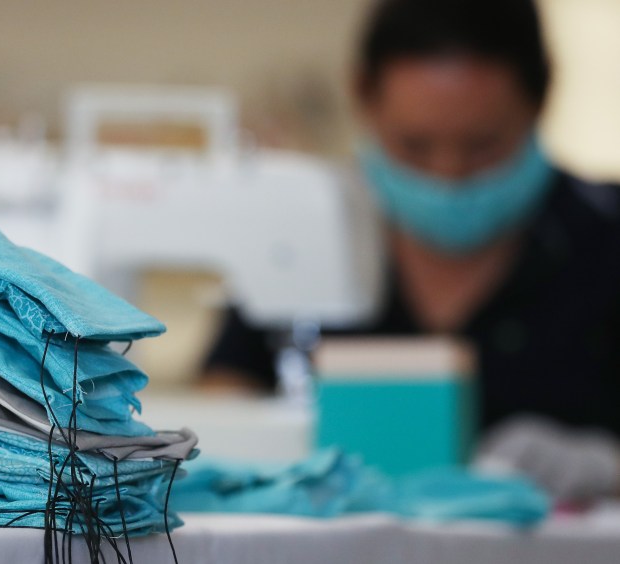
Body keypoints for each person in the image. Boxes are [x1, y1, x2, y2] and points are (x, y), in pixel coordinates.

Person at [202, 0, 620, 502]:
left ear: (540, 99)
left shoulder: (605, 237)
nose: (447, 175)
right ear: (363, 96)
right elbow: (225, 394)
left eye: (483, 146)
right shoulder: (301, 236)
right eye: (414, 146)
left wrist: (610, 469)